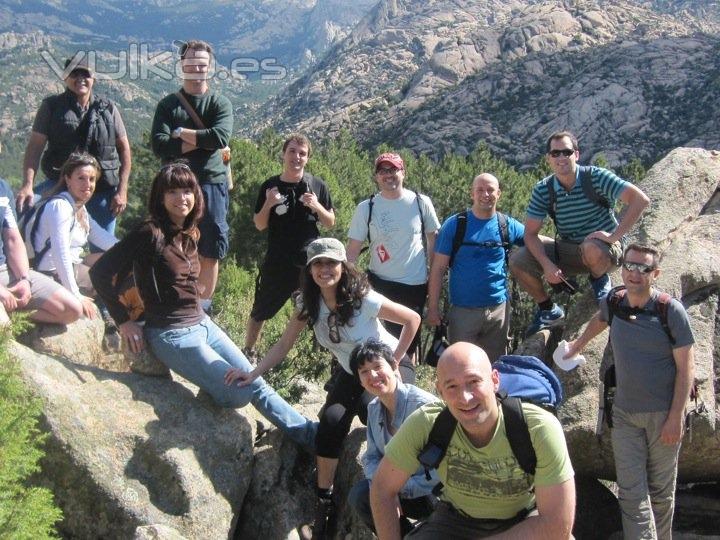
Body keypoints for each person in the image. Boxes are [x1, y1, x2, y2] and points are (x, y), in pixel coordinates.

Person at [89, 162, 317, 450]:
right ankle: (215, 384)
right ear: (160, 197)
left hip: (203, 324)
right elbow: (100, 272)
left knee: (254, 379)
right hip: (172, 335)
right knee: (239, 393)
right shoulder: (150, 232)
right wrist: (123, 320)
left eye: (187, 190)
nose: (181, 198)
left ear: (196, 195)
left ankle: (309, 434)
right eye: (172, 191)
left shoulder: (187, 232)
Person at [225, 237, 420, 539]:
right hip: (351, 371)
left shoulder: (361, 297)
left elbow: (412, 319)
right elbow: (284, 344)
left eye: (331, 263)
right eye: (318, 263)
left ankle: (410, 496)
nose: (324, 269)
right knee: (330, 424)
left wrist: (394, 362)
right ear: (310, 269)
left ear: (343, 266)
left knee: (377, 414)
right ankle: (323, 509)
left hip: (386, 367)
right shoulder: (308, 304)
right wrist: (253, 373)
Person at [370, 342, 575, 539]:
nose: (465, 398)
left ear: (495, 380)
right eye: (452, 386)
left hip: (524, 519)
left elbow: (556, 527)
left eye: (474, 382)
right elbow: (382, 489)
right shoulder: (427, 424)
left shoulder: (538, 429)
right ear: (439, 391)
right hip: (455, 521)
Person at [564, 243, 695, 539]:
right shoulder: (615, 301)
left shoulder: (669, 311)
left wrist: (676, 417)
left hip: (663, 417)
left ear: (655, 273)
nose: (635, 273)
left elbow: (686, 368)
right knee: (632, 495)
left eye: (643, 268)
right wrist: (575, 346)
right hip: (624, 416)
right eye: (630, 265)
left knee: (661, 496)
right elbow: (599, 321)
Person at [509, 131, 650, 335]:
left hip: (604, 249)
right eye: (555, 153)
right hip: (571, 249)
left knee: (591, 246)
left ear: (576, 154)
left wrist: (613, 237)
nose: (561, 158)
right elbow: (530, 233)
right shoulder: (544, 189)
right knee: (518, 259)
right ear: (548, 158)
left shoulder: (596, 177)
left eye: (566, 152)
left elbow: (640, 200)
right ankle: (547, 309)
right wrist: (547, 265)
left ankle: (600, 282)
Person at [151, 39, 232, 299]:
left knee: (210, 247)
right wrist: (201, 141)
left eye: (202, 64)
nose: (197, 68)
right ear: (182, 66)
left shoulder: (220, 103)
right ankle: (173, 299)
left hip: (211, 183)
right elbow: (160, 146)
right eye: (191, 63)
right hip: (175, 186)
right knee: (170, 243)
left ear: (210, 67)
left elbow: (219, 138)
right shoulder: (167, 105)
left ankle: (202, 306)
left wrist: (181, 134)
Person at [17, 56, 132, 237]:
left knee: (103, 252)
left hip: (102, 191)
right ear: (65, 77)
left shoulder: (108, 109)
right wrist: (27, 185)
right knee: (25, 217)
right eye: (74, 73)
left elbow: (124, 149)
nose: (80, 78)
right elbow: (35, 147)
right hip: (60, 185)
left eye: (85, 74)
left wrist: (122, 190)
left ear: (93, 78)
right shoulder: (51, 107)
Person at [244, 134, 334, 359]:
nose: (297, 157)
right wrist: (269, 203)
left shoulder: (317, 185)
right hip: (278, 261)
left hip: (309, 264)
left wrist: (316, 206)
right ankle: (249, 351)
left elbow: (330, 222)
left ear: (308, 158)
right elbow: (259, 224)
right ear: (283, 154)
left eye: (302, 153)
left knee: (318, 309)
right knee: (261, 310)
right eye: (292, 151)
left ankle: (319, 358)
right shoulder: (270, 185)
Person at [347, 152, 439, 361]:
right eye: (383, 171)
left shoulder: (420, 202)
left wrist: (433, 295)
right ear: (376, 176)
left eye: (393, 170)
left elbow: (434, 246)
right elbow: (352, 251)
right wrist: (347, 287)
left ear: (403, 172)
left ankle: (405, 384)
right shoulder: (366, 207)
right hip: (377, 284)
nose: (388, 175)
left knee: (407, 347)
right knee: (374, 343)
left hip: (413, 286)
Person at [426, 173, 524, 362]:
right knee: (460, 366)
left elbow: (532, 240)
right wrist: (433, 308)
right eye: (480, 190)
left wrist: (559, 248)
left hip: (498, 310)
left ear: (499, 194)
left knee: (494, 367)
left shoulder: (506, 225)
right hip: (463, 311)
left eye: (490, 190)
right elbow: (437, 269)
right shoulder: (455, 225)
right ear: (472, 193)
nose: (485, 194)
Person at [347, 339, 439, 536]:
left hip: (435, 493)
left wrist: (396, 488)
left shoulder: (424, 407)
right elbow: (371, 458)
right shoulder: (373, 409)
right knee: (360, 496)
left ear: (394, 366)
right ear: (360, 380)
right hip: (399, 490)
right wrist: (385, 488)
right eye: (364, 372)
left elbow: (444, 467)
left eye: (377, 366)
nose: (372, 375)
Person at [31, 153, 118, 319]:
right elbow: (60, 252)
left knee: (119, 260)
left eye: (92, 179)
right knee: (115, 275)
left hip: (73, 266)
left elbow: (105, 239)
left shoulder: (80, 208)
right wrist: (75, 293)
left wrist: (136, 249)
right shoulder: (60, 207)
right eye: (81, 178)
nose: (88, 184)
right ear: (67, 179)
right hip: (51, 273)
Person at [0, 175, 82, 326]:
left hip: (4, 271)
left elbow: (13, 239)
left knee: (72, 310)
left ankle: (12, 314)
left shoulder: (2, 189)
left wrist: (24, 279)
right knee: (3, 328)